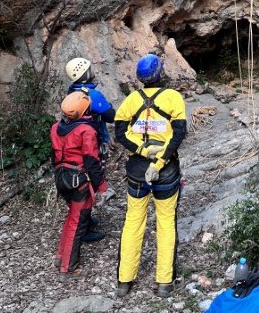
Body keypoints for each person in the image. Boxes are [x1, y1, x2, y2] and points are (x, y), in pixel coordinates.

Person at [114, 53, 187, 298]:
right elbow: (178, 134)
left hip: (136, 170)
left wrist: (142, 149)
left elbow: (120, 133)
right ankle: (165, 282)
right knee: (166, 223)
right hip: (165, 171)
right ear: (161, 73)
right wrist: (159, 159)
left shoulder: (131, 100)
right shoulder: (173, 97)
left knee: (133, 221)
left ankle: (125, 281)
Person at [50, 91, 107, 279]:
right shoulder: (86, 131)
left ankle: (61, 257)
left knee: (71, 219)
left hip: (61, 178)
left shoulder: (55, 128)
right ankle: (68, 267)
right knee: (78, 223)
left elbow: (54, 157)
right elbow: (91, 161)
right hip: (79, 181)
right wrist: (102, 187)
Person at [65, 57, 116, 242]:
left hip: (74, 144)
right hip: (91, 141)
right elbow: (111, 116)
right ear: (85, 74)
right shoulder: (91, 95)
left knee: (81, 181)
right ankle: (83, 227)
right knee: (91, 181)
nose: (93, 71)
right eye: (90, 68)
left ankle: (84, 219)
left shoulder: (71, 91)